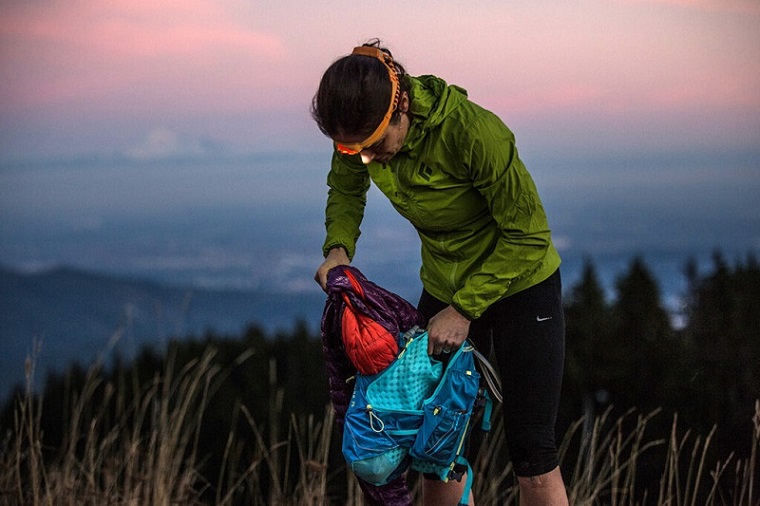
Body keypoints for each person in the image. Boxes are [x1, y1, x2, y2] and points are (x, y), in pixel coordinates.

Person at [312, 39, 569, 506]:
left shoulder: (475, 133)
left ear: (402, 105)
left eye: (373, 147)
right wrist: (338, 249)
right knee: (437, 449)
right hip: (444, 288)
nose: (367, 159)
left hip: (521, 287)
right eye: (355, 151)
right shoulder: (357, 134)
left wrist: (465, 309)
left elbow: (528, 235)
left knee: (533, 453)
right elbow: (346, 191)